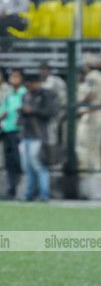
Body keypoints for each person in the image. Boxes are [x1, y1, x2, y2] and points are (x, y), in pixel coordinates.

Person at [18, 73, 55, 201]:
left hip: (38, 135)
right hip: (25, 135)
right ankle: (29, 194)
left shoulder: (46, 95)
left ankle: (44, 194)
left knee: (39, 166)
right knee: (27, 167)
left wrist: (32, 110)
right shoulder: (25, 95)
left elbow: (50, 112)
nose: (31, 85)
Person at [76, 53, 101, 170]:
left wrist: (81, 102)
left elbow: (91, 95)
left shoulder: (91, 77)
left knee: (92, 146)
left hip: (94, 115)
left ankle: (96, 171)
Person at [0, 68, 25, 198]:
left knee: (19, 161)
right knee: (9, 162)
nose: (13, 80)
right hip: (7, 130)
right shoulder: (9, 94)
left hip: (19, 132)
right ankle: (12, 189)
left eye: (16, 77)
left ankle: (24, 189)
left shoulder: (24, 93)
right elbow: (3, 109)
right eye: (12, 77)